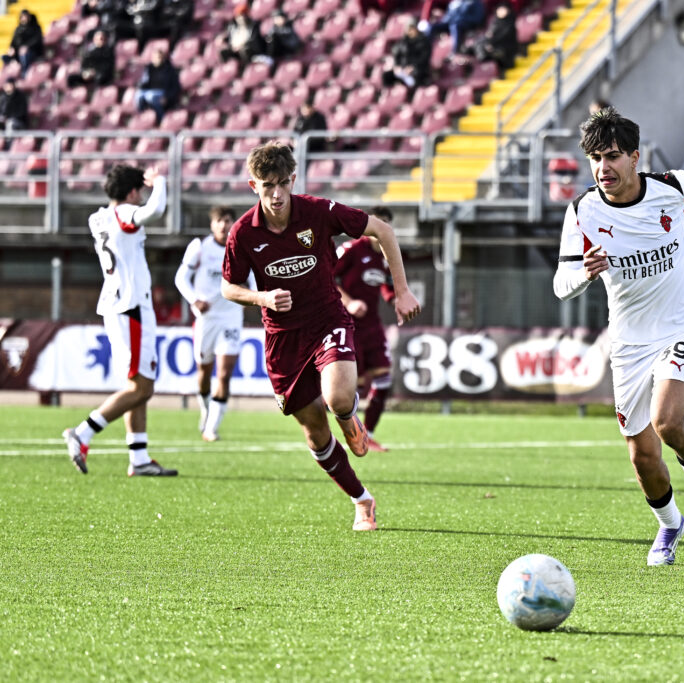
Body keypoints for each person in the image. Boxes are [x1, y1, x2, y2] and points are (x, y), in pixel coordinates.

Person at [553, 108, 684, 566]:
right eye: (596, 158)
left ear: (636, 157)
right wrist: (584, 273)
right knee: (641, 454)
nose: (604, 168)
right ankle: (669, 524)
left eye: (613, 156)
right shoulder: (582, 211)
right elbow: (561, 284)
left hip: (682, 322)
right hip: (629, 342)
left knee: (667, 421)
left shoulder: (672, 188)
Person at [221, 142, 421, 531]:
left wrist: (401, 291)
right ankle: (362, 500)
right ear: (253, 185)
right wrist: (261, 296)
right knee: (314, 432)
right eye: (267, 186)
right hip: (282, 340)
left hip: (328, 320)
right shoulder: (243, 232)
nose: (276, 195)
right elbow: (228, 287)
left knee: (338, 397)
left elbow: (382, 229)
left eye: (282, 184)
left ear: (293, 180)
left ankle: (350, 418)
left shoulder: (319, 211)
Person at [62, 164, 179, 477]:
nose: (140, 196)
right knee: (142, 388)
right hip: (131, 307)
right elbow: (154, 211)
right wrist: (160, 183)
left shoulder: (96, 217)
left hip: (117, 305)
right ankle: (82, 432)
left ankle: (139, 458)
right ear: (131, 193)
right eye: (138, 191)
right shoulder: (123, 214)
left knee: (136, 384)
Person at [174, 205, 254, 442]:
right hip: (206, 320)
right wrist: (194, 300)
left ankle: (212, 428)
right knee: (203, 371)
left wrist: (253, 297)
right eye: (219, 220)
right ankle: (206, 410)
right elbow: (181, 278)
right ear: (212, 224)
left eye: (227, 220)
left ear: (232, 223)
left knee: (225, 373)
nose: (223, 225)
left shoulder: (241, 249)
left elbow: (254, 283)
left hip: (230, 318)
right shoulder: (199, 247)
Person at [333, 205, 399, 452]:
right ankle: (350, 433)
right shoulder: (351, 249)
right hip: (348, 324)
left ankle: (367, 434)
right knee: (354, 385)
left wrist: (395, 299)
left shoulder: (386, 255)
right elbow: (328, 277)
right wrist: (349, 302)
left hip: (372, 324)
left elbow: (387, 284)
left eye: (386, 224)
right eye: (378, 223)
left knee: (384, 378)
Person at [134, 47, 180, 124]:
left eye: (159, 57)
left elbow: (176, 87)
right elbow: (144, 82)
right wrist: (139, 85)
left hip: (162, 93)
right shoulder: (149, 68)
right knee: (138, 95)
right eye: (155, 57)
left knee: (151, 96)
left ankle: (161, 120)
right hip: (149, 92)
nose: (157, 59)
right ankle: (141, 119)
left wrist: (167, 97)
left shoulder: (169, 70)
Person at [382, 20, 432, 89]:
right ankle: (388, 95)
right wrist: (397, 66)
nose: (410, 32)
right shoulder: (404, 41)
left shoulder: (423, 41)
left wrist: (412, 67)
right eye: (409, 30)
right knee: (387, 75)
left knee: (415, 77)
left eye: (412, 29)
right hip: (402, 68)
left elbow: (424, 58)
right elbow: (397, 54)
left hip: (417, 69)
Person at [474, 2, 518, 70]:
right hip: (494, 46)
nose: (501, 12)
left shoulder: (510, 23)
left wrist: (491, 43)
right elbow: (489, 34)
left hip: (506, 49)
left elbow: (504, 36)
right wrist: (488, 42)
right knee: (480, 42)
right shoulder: (495, 22)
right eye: (499, 10)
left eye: (503, 10)